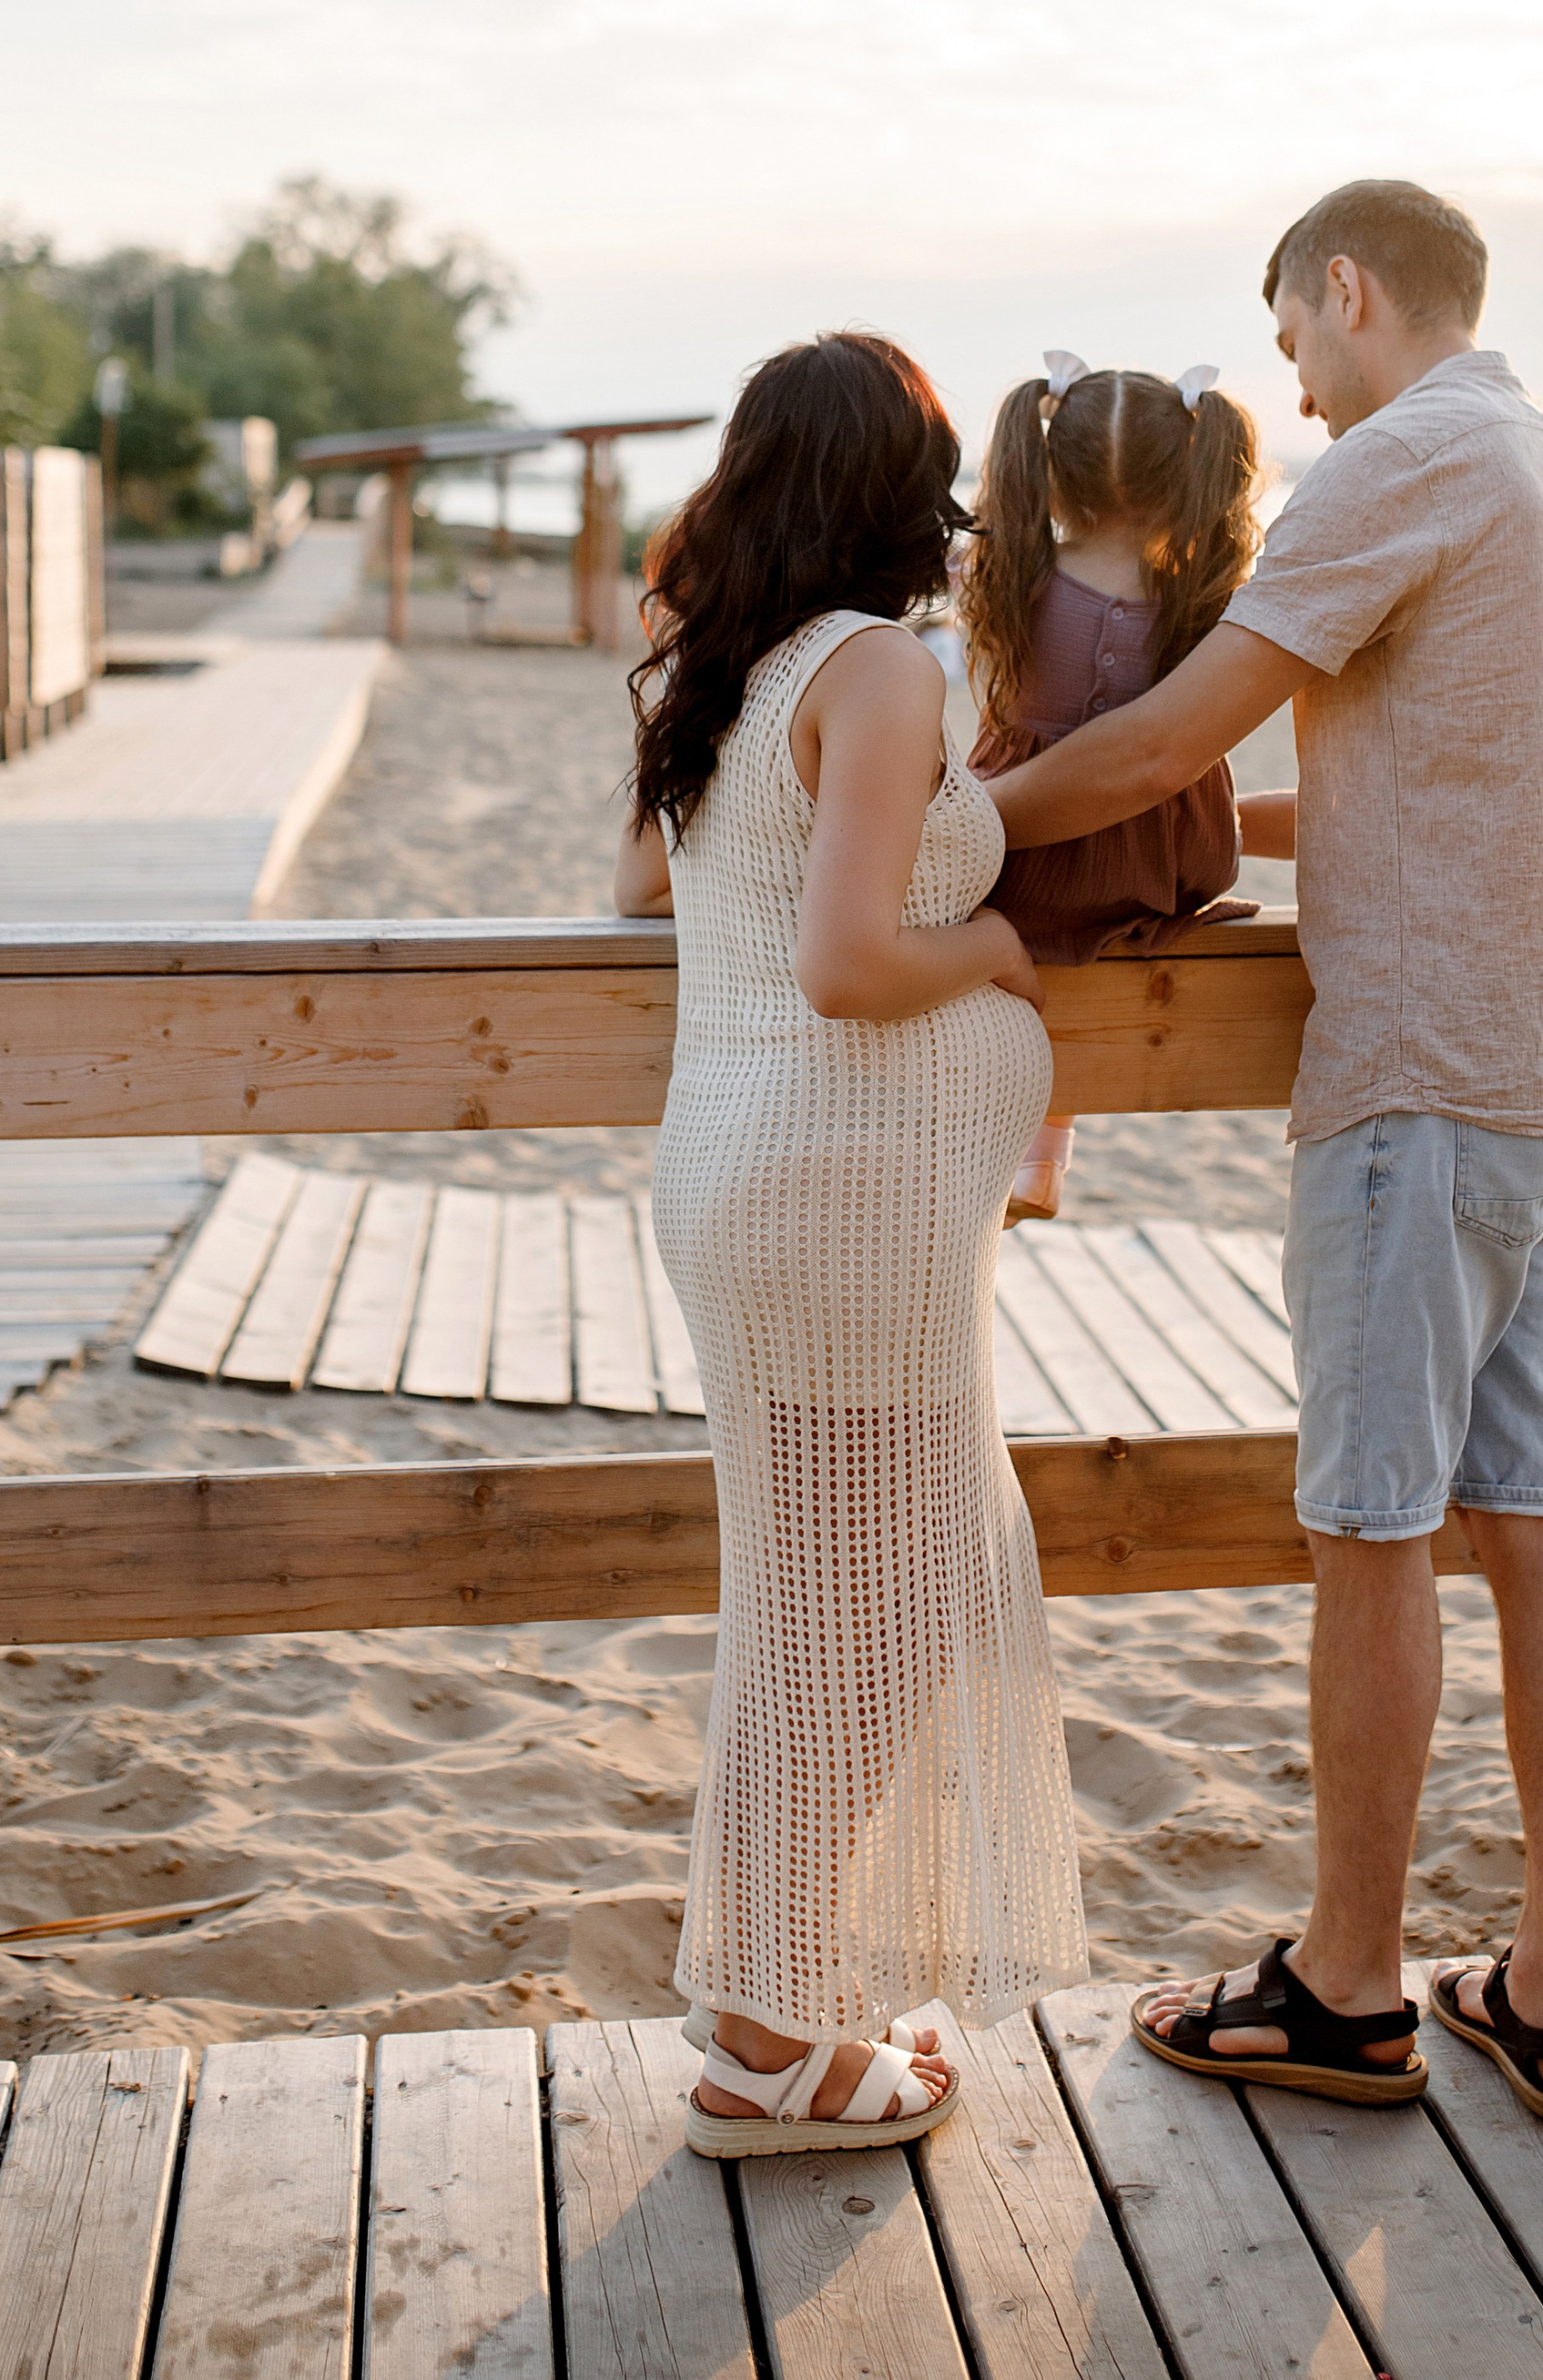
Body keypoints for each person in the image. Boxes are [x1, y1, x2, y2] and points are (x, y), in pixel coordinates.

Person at [983, 180, 1543, 2126]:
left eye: (1291, 337)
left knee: (1368, 1532)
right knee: (1531, 1517)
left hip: (1425, 1080)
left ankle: (1349, 1985)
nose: (1291, 385)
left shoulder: (1400, 460)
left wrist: (936, 826)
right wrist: (1206, 830)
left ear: (1347, 289)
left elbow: (1152, 742)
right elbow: (1445, 775)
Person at [615, 329, 1088, 2158]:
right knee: (864, 1628)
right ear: (899, 484)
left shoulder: (726, 668)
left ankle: (778, 1993)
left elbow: (663, 894)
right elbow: (844, 963)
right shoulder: (877, 669)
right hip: (838, 1204)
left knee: (806, 1613)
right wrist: (990, 952)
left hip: (753, 1180)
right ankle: (764, 2041)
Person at [958, 349, 1263, 1220]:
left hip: (1025, 856)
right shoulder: (1204, 594)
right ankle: (1044, 1164)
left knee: (987, 939)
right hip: (1162, 858)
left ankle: (1018, 1158)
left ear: (1052, 474)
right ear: (1184, 476)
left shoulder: (1005, 573)